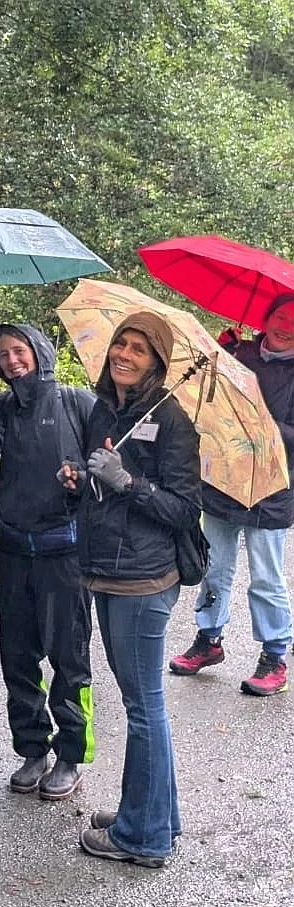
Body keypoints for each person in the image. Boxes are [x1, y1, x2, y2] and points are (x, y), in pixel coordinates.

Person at [58, 310, 201, 868]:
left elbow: (184, 510)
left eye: (139, 349)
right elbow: (99, 496)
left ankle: (142, 838)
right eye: (122, 342)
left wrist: (127, 481)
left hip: (143, 580)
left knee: (144, 706)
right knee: (141, 703)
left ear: (157, 364)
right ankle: (152, 813)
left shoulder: (175, 424)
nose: (124, 354)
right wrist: (82, 480)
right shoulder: (104, 411)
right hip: (106, 571)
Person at [0, 323, 96, 800]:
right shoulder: (0, 406)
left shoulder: (76, 402)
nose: (11, 360)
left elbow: (105, 467)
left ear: (39, 353)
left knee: (69, 658)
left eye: (19, 351)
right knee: (17, 658)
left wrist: (81, 478)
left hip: (64, 554)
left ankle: (72, 754)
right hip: (13, 551)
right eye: (3, 354)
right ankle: (32, 748)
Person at [169, 293, 294, 696]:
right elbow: (203, 403)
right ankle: (208, 640)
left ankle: (275, 654)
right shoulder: (238, 351)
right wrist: (217, 355)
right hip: (222, 480)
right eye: (279, 315)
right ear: (267, 316)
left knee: (267, 578)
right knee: (214, 567)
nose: (285, 325)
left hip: (272, 490)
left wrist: (266, 426)